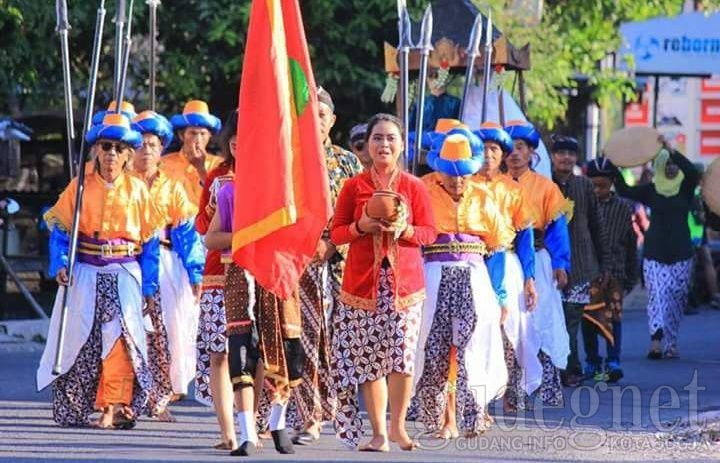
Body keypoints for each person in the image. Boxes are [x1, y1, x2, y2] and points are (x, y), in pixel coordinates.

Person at [37, 113, 162, 428]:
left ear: (127, 154)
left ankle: (114, 407)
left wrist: (149, 288)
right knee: (82, 342)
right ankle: (79, 406)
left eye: (119, 148)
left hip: (124, 273)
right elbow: (61, 232)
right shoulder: (79, 188)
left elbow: (150, 245)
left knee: (121, 341)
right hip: (87, 273)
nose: (111, 154)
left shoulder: (137, 190)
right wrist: (61, 264)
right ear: (96, 150)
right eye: (106, 146)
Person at [330, 113, 437, 451]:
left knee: (402, 357)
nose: (384, 144)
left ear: (402, 145)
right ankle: (377, 433)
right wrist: (362, 226)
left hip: (404, 286)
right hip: (362, 284)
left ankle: (398, 427)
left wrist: (404, 231)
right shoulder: (353, 186)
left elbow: (429, 233)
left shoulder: (414, 186)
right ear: (368, 144)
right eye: (378, 138)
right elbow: (336, 233)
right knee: (369, 359)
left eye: (391, 138)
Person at [413, 126, 508, 439]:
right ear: (438, 170)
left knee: (472, 346)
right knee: (434, 346)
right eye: (450, 174)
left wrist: (500, 295)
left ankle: (473, 416)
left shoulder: (484, 196)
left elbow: (497, 249)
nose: (456, 180)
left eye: (463, 174)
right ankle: (442, 419)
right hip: (433, 275)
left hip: (473, 278)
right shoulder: (422, 190)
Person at [286, 87, 363, 445]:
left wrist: (332, 243)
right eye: (309, 114)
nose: (315, 121)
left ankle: (339, 410)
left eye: (321, 115)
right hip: (297, 262)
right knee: (303, 339)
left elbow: (359, 214)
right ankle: (309, 417)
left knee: (335, 340)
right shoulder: (288, 159)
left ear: (331, 120)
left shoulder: (348, 162)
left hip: (339, 264)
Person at [131, 111, 205, 420]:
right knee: (128, 332)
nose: (146, 150)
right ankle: (123, 398)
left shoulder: (172, 187)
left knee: (162, 331)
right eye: (141, 144)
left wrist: (195, 271)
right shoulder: (122, 184)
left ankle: (158, 398)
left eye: (153, 144)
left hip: (163, 263)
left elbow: (186, 233)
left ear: (161, 149)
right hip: (125, 261)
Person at [610, 147, 700, 359]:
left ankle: (671, 341)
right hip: (654, 253)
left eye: (673, 163)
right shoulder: (651, 189)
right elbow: (625, 191)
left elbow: (693, 172)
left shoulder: (686, 187)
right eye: (666, 163)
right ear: (659, 166)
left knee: (677, 298)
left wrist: (672, 151)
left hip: (681, 253)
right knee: (657, 297)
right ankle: (656, 340)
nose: (670, 167)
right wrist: (614, 164)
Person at [504, 120, 571, 406]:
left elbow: (557, 229)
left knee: (543, 319)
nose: (515, 154)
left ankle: (549, 389)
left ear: (532, 152)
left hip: (541, 260)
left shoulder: (546, 187)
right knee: (512, 323)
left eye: (521, 148)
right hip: (506, 259)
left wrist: (561, 262)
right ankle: (514, 392)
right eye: (511, 149)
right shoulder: (495, 185)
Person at [475, 122, 540, 412]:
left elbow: (526, 238)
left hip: (507, 264)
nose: (488, 155)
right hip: (472, 263)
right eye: (484, 149)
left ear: (502, 155)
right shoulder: (465, 184)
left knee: (509, 329)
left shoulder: (512, 190)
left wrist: (529, 278)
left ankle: (509, 392)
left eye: (494, 149)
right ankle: (476, 395)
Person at [550, 134, 611, 385]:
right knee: (554, 318)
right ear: (552, 157)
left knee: (571, 320)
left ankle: (570, 369)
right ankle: (558, 368)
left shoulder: (584, 186)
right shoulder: (544, 184)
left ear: (576, 157)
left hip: (582, 264)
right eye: (561, 152)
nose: (566, 157)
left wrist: (604, 264)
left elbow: (597, 226)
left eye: (570, 153)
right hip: (551, 265)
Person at [193, 111, 237, 450]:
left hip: (256, 272)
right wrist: (215, 207)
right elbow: (200, 225)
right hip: (216, 273)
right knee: (219, 353)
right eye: (233, 135)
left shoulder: (272, 174)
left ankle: (255, 422)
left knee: (256, 353)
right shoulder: (218, 174)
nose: (238, 141)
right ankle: (227, 432)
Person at [584, 157, 637, 382]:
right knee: (589, 317)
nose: (597, 190)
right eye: (593, 185)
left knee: (614, 316)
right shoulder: (582, 205)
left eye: (602, 186)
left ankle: (613, 360)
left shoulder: (623, 208)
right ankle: (592, 362)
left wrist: (633, 274)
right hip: (587, 272)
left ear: (612, 183)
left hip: (616, 272)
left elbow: (630, 242)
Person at [165, 100, 224, 205]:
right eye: (192, 133)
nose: (198, 139)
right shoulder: (163, 164)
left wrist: (201, 170)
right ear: (181, 135)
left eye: (203, 134)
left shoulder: (220, 165)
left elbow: (222, 203)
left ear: (210, 136)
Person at [409, 66, 460, 133]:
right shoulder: (420, 104)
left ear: (445, 78)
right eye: (430, 76)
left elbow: (460, 128)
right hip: (424, 141)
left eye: (437, 76)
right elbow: (411, 129)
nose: (434, 80)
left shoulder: (455, 103)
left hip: (446, 141)